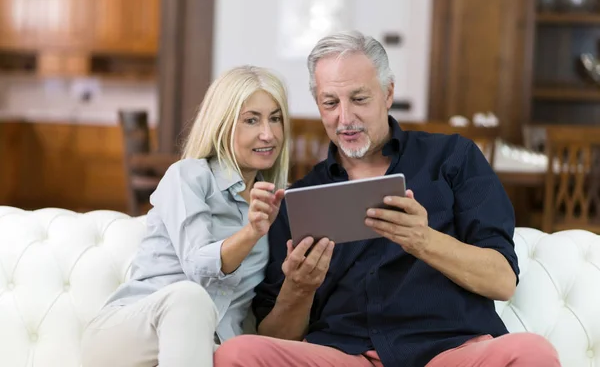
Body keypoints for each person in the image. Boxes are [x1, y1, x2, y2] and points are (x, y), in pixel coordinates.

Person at [213, 32, 560, 367]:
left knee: (533, 353)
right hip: (345, 355)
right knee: (236, 354)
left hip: (449, 352)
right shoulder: (298, 199)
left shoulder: (453, 158)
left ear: (388, 93)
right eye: (330, 103)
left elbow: (502, 281)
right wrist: (299, 289)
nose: (344, 118)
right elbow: (275, 335)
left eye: (359, 99)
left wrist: (424, 241)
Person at [81, 65, 291, 367]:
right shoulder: (188, 176)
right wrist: (251, 232)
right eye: (251, 120)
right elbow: (198, 267)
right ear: (223, 124)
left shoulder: (278, 204)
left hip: (202, 349)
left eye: (275, 118)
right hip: (128, 336)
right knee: (190, 298)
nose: (268, 134)